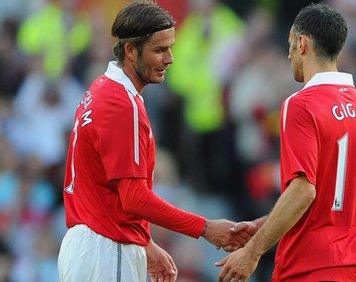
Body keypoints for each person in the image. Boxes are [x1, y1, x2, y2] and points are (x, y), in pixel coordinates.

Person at [57, 1, 248, 282]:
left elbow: (104, 188)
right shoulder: (121, 103)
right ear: (131, 51)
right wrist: (205, 228)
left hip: (94, 244)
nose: (169, 58)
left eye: (170, 48)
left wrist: (144, 242)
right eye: (159, 50)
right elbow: (133, 196)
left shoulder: (103, 88)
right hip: (106, 249)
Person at [217, 4, 356, 282]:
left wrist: (252, 252)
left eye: (290, 45)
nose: (289, 54)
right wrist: (267, 224)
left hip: (312, 266)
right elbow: (330, 196)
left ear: (303, 44)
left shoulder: (301, 104)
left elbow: (304, 191)